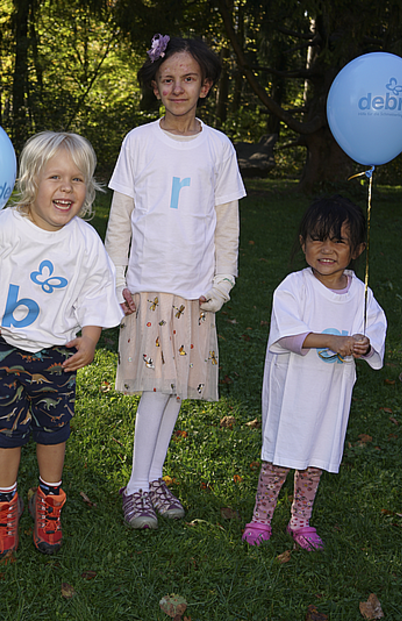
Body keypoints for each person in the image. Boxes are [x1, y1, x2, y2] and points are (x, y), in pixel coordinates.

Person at [0, 131, 123, 558]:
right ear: (30, 181)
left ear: (89, 188)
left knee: (53, 427)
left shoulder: (84, 241)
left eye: (77, 180)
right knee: (4, 428)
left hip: (58, 354)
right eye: (54, 177)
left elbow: (98, 291)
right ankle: (4, 503)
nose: (66, 188)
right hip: (4, 349)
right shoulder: (1, 227)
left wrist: (91, 339)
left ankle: (49, 500)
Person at [105, 34, 247, 528]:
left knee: (175, 388)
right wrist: (113, 277)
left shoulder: (218, 147)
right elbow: (120, 217)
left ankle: (154, 476)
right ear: (155, 86)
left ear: (205, 86)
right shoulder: (139, 142)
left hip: (194, 290)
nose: (178, 88)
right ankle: (135, 486)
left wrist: (223, 279)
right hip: (147, 286)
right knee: (155, 386)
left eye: (188, 79)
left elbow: (226, 222)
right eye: (168, 79)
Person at [242, 195, 387, 551]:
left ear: (357, 249)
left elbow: (374, 334)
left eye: (338, 240)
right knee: (280, 454)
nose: (327, 249)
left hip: (330, 393)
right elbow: (288, 335)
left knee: (315, 457)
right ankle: (261, 517)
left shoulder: (360, 293)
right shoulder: (294, 286)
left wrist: (363, 346)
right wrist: (333, 341)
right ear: (303, 242)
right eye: (317, 238)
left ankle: (300, 521)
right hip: (291, 389)